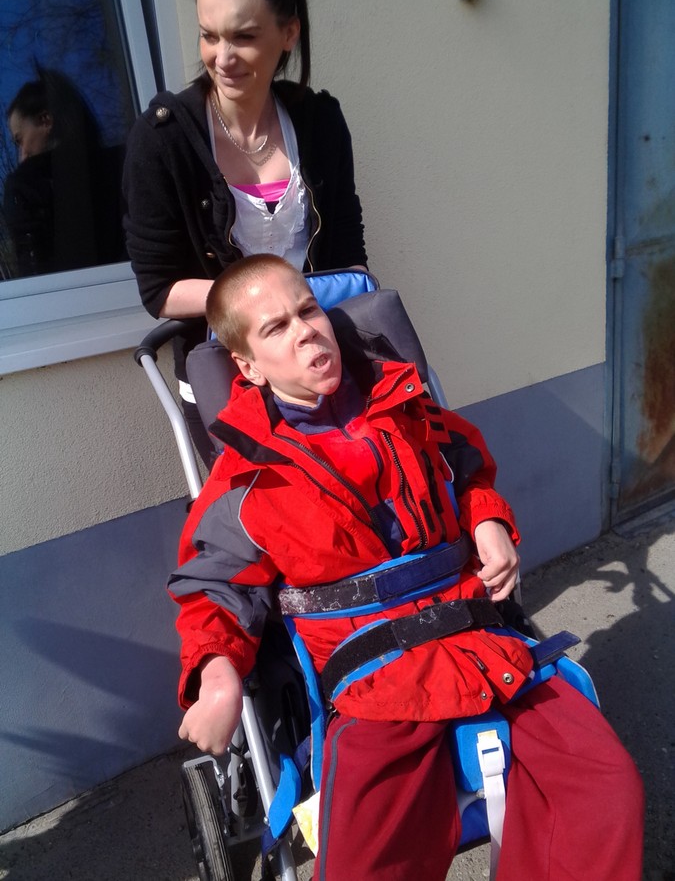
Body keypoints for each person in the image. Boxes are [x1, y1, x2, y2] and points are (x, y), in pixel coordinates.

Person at [169, 255, 644, 881]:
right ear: (249, 367)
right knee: (368, 860)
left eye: (308, 311)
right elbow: (212, 587)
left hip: (484, 642)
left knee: (605, 790)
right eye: (276, 328)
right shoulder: (246, 482)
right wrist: (218, 676)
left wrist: (487, 521)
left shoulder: (408, 408)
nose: (306, 331)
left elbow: (468, 469)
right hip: (376, 680)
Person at [122, 0, 367, 465]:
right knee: (276, 501)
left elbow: (348, 254)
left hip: (321, 361)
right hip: (227, 375)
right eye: (209, 36)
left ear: (289, 33)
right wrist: (260, 307)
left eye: (244, 37)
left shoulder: (319, 122)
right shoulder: (163, 140)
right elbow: (158, 290)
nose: (223, 58)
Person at [4, 68, 125, 277]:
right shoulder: (122, 164)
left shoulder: (27, 186)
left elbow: (36, 276)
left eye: (20, 140)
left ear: (45, 121)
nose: (22, 154)